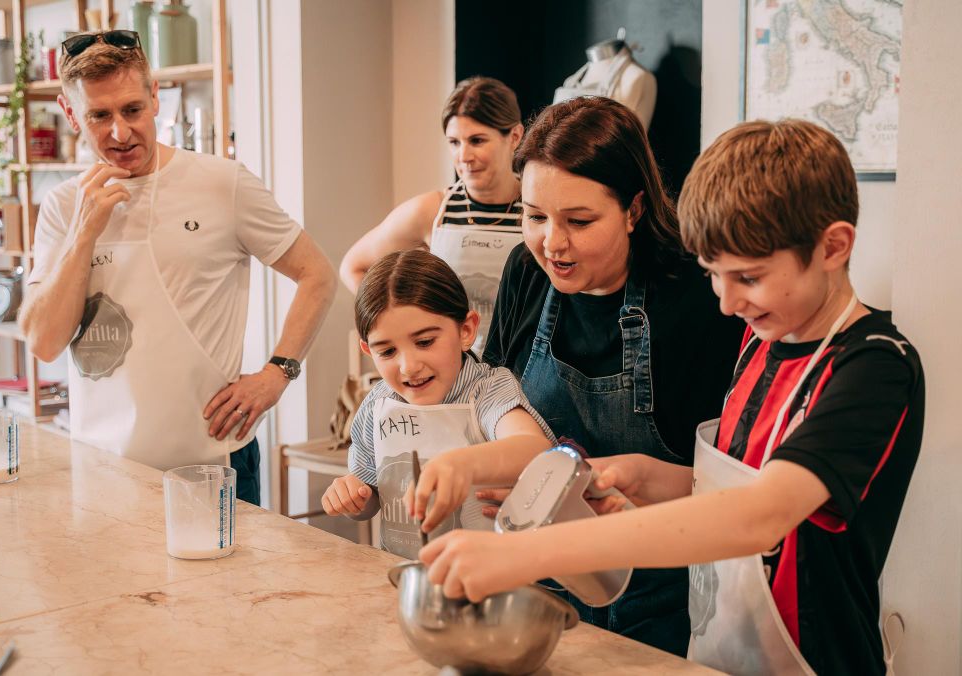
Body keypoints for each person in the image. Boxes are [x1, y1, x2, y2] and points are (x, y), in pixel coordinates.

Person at [421, 119, 925, 675]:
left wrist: (524, 553)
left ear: (833, 247)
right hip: (718, 653)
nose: (728, 303)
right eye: (714, 275)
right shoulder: (766, 344)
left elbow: (761, 516)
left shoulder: (875, 365)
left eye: (749, 278)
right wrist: (643, 479)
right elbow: (722, 489)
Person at [18, 31, 336, 506]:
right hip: (101, 468)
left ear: (155, 97)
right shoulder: (65, 206)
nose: (120, 133)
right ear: (70, 114)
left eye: (132, 110)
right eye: (99, 116)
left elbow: (318, 274)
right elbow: (44, 342)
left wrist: (276, 374)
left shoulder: (221, 183)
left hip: (213, 463)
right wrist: (84, 232)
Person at [474, 96, 743, 655]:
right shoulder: (527, 271)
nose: (552, 243)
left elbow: (729, 487)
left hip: (663, 588)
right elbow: (492, 397)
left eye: (578, 221)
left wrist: (633, 481)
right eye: (534, 216)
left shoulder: (695, 298)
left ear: (634, 209)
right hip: (541, 576)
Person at [320, 250, 554, 559]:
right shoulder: (377, 405)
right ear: (367, 350)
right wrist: (354, 499)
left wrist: (460, 464)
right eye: (388, 351)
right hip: (405, 577)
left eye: (425, 342)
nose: (408, 366)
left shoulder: (487, 390)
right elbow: (373, 495)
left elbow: (535, 449)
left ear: (466, 330)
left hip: (488, 578)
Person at [339, 77, 524, 354]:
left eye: (477, 140)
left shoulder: (538, 208)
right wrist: (399, 326)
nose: (464, 156)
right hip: (454, 373)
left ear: (515, 137)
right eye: (454, 142)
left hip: (525, 372)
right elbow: (353, 265)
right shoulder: (433, 211)